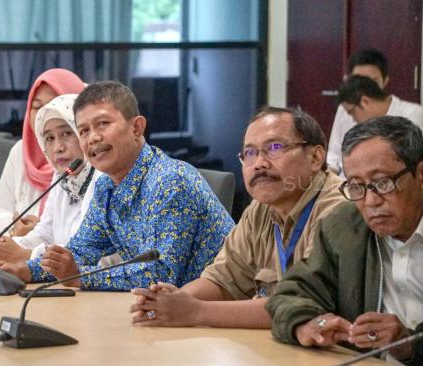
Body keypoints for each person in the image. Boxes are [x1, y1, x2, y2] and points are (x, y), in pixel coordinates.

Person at [0, 81, 234, 290]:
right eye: (83, 130)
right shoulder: (106, 188)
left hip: (220, 315)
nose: (92, 138)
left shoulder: (171, 181)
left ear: (137, 128)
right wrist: (26, 271)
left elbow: (163, 272)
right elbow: (80, 253)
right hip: (166, 313)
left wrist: (81, 277)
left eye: (102, 124)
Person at [130, 107, 345, 328]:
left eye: (275, 147)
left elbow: (301, 306)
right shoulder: (261, 209)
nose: (259, 163)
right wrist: (175, 300)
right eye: (250, 153)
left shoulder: (337, 210)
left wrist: (196, 311)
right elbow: (224, 280)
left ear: (316, 157)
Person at [267, 116, 423, 365]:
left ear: (420, 174)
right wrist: (306, 324)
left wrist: (413, 346)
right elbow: (291, 294)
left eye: (382, 183)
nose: (370, 202)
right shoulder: (342, 226)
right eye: (356, 186)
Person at [0, 94, 120, 266]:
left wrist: (27, 255)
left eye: (67, 133)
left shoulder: (105, 179)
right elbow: (45, 233)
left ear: (84, 135)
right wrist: (4, 248)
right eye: (49, 138)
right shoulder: (62, 177)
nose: (58, 148)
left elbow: (90, 252)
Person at [0, 68, 85, 235]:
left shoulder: (89, 164)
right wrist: (14, 227)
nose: (44, 114)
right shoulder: (20, 151)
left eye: (54, 104)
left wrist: (37, 234)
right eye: (37, 107)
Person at [327, 49, 423, 175]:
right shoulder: (345, 109)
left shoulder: (412, 114)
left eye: (372, 81)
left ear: (385, 80)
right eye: (358, 81)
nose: (363, 87)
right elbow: (334, 157)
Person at [337, 75, 423, 126]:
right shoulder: (370, 122)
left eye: (352, 112)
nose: (354, 120)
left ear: (365, 102)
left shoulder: (412, 114)